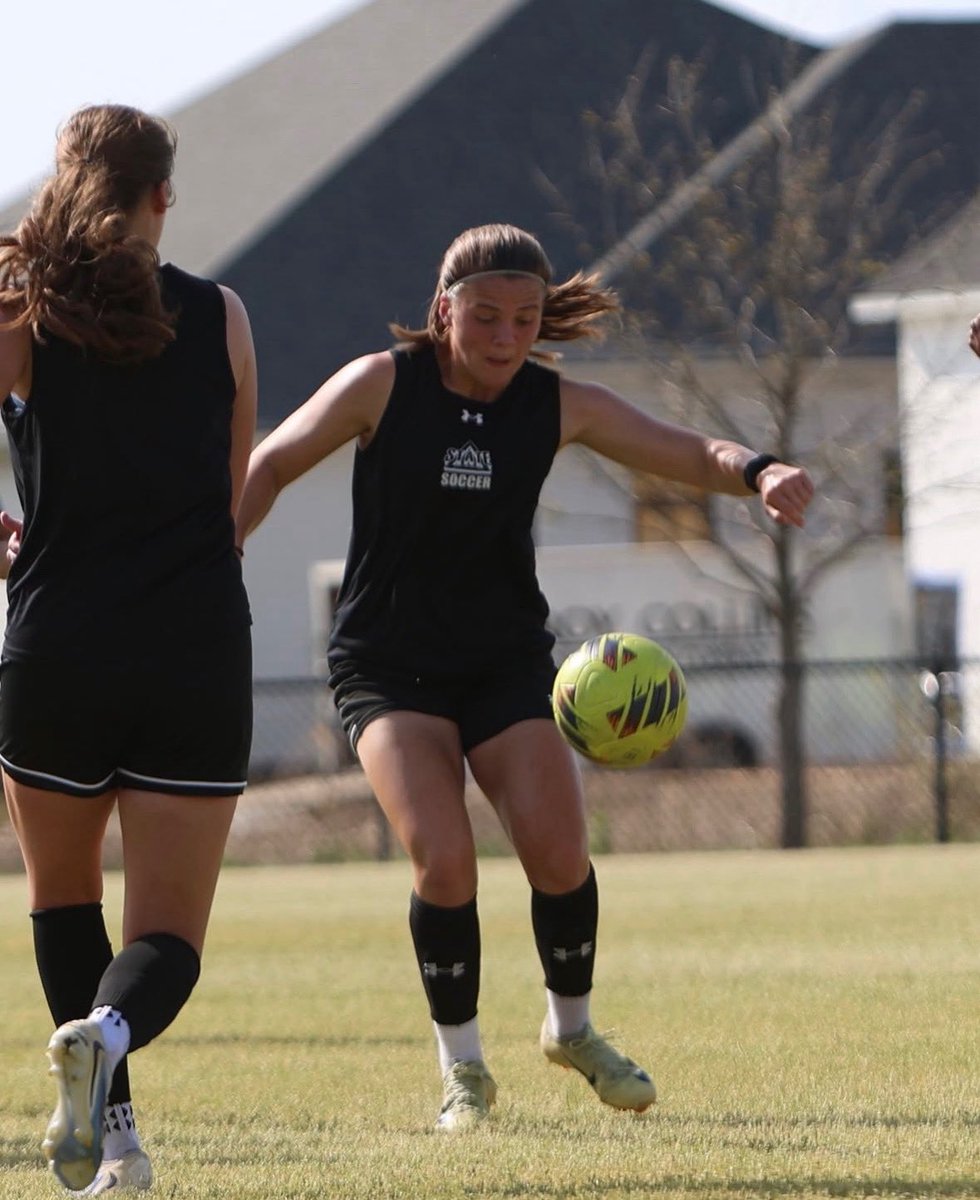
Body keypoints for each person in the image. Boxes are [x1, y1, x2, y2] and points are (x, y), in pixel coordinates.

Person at [236, 223, 814, 1131]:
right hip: (387, 665)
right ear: (444, 311)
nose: (506, 336)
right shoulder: (383, 383)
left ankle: (571, 1029)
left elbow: (679, 449)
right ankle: (463, 1069)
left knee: (557, 852)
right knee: (446, 858)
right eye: (486, 317)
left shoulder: (553, 403)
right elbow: (271, 461)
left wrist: (761, 468)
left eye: (525, 318)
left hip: (504, 661)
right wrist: (216, 547)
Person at [0, 105, 256, 1192]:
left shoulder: (21, 314)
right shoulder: (224, 315)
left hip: (55, 646)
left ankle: (119, 1146)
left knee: (64, 899)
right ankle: (108, 1035)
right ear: (164, 197)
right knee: (168, 936)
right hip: (194, 647)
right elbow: (235, 500)